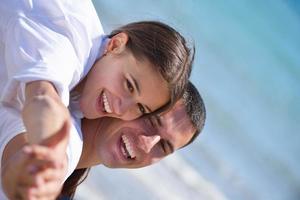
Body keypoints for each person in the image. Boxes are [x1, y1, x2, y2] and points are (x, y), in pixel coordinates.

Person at [0, 0, 194, 148]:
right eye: (129, 85)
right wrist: (49, 144)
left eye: (140, 108)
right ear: (115, 45)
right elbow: (43, 94)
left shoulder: (84, 95)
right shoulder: (72, 45)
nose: (120, 108)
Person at [0, 82, 206, 199]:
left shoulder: (66, 185)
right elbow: (18, 156)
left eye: (163, 146)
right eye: (151, 121)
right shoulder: (45, 120)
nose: (147, 144)